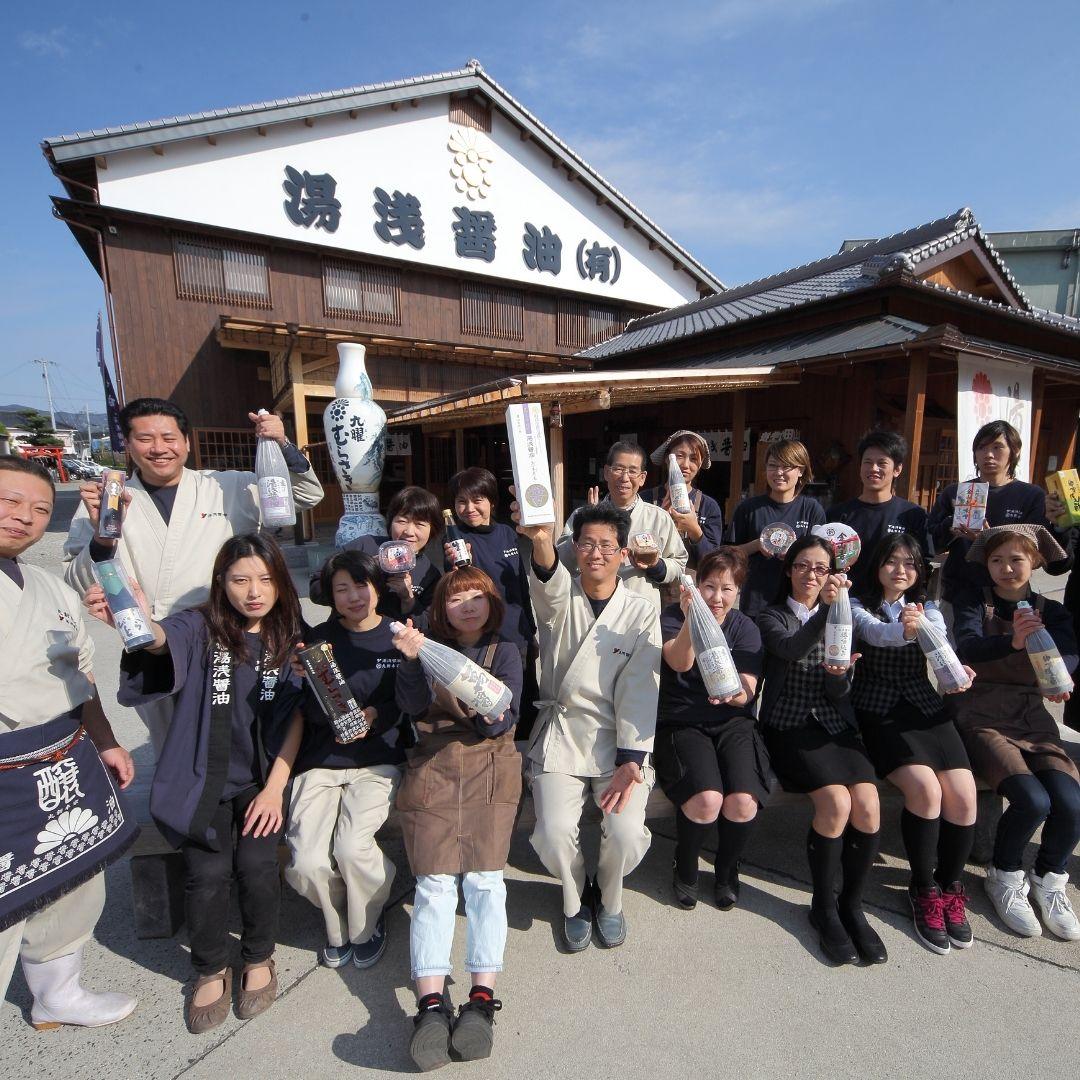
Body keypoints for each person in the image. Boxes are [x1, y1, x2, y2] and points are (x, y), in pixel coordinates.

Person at [96, 533, 307, 1032]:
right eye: (240, 580)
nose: (253, 591)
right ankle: (209, 967)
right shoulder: (199, 626)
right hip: (200, 776)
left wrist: (275, 788)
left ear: (280, 582)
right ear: (221, 583)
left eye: (265, 579)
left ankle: (258, 957)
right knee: (207, 874)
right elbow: (157, 641)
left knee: (257, 866)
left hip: (262, 778)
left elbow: (300, 717)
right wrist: (133, 617)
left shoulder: (294, 636)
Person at [64, 398, 324, 750]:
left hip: (224, 637)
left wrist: (282, 444)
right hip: (153, 641)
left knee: (239, 740)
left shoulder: (226, 485)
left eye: (169, 437)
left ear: (186, 441)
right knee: (173, 746)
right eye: (145, 438)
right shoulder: (104, 500)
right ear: (126, 444)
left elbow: (305, 494)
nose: (159, 448)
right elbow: (77, 576)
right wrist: (102, 536)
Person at [0, 457, 138, 1031]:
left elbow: (80, 674)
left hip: (64, 748)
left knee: (74, 879)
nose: (24, 518)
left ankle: (57, 992)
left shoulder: (48, 585)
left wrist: (106, 741)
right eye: (10, 501)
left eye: (37, 508)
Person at [391, 568, 523, 1071]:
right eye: (456, 598)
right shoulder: (425, 651)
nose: (468, 605)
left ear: (492, 603)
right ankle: (429, 1004)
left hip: (492, 764)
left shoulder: (505, 650)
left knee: (488, 882)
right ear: (440, 609)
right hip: (434, 766)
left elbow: (504, 717)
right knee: (434, 885)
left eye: (477, 597)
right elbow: (411, 704)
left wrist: (491, 710)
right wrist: (409, 660)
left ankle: (481, 1001)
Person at [518, 498, 660, 952]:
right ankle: (575, 894)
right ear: (574, 549)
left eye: (606, 545)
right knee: (554, 830)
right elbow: (546, 579)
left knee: (624, 831)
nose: (595, 553)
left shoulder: (640, 611)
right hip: (561, 733)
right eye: (586, 544)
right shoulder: (561, 597)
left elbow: (641, 686)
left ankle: (610, 895)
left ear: (623, 554)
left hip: (620, 739)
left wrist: (633, 758)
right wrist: (542, 541)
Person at [757, 535, 885, 965]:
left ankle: (851, 903)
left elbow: (838, 689)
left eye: (821, 568)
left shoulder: (842, 612)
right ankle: (822, 906)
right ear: (789, 570)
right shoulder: (770, 616)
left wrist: (840, 675)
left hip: (832, 723)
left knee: (867, 803)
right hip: (788, 725)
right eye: (804, 566)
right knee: (834, 802)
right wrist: (829, 609)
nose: (812, 575)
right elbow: (791, 650)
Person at [850, 535, 978, 954]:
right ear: (876, 567)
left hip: (925, 706)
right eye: (891, 562)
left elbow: (941, 650)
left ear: (920, 572)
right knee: (926, 790)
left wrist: (957, 672)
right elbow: (875, 634)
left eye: (909, 564)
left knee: (963, 793)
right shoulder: (856, 607)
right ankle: (922, 887)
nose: (900, 571)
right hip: (878, 709)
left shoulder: (933, 610)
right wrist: (907, 629)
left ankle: (949, 887)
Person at [952, 525, 1080, 940]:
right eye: (997, 560)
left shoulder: (1053, 610)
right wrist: (1013, 643)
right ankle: (1004, 874)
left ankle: (1049, 877)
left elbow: (1070, 655)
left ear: (1035, 562)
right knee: (1032, 799)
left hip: (1032, 716)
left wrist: (1062, 675)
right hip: (981, 714)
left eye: (1016, 560)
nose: (1006, 569)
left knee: (1072, 802)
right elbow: (968, 647)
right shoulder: (974, 602)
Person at [286, 551, 405, 970]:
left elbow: (408, 700)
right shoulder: (317, 643)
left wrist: (377, 715)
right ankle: (337, 919)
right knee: (306, 861)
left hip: (378, 759)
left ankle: (365, 924)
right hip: (321, 760)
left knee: (353, 848)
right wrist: (315, 699)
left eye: (361, 584)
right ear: (330, 595)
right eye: (342, 588)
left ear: (376, 586)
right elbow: (302, 707)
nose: (354, 596)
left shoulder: (398, 634)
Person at [656, 547, 767, 911]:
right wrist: (693, 618)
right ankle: (685, 865)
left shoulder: (745, 627)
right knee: (707, 800)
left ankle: (726, 868)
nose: (717, 598)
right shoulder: (673, 617)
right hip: (683, 721)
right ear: (695, 586)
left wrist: (736, 695)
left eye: (727, 589)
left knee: (742, 802)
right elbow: (678, 660)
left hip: (733, 721)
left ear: (738, 593)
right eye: (709, 587)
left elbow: (749, 689)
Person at [928, 420, 1070, 604]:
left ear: (1015, 451)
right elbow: (931, 544)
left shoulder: (1032, 495)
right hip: (958, 593)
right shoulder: (956, 492)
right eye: (981, 448)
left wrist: (988, 539)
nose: (988, 455)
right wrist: (950, 526)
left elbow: (1036, 553)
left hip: (1010, 595)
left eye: (997, 447)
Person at [557, 441, 687, 613]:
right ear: (606, 472)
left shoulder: (659, 518)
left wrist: (657, 565)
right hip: (590, 608)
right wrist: (588, 525)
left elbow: (679, 563)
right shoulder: (583, 514)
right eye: (618, 469)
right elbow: (560, 561)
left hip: (640, 612)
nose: (624, 477)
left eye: (632, 471)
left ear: (642, 478)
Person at [724, 438, 826, 620]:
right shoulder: (748, 508)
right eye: (773, 466)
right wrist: (757, 544)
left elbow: (822, 557)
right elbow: (728, 554)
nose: (778, 472)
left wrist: (796, 553)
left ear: (801, 470)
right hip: (756, 602)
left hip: (798, 602)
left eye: (787, 466)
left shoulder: (811, 509)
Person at [309, 485, 443, 621]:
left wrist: (407, 599)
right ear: (390, 522)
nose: (409, 531)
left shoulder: (430, 575)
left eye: (420, 524)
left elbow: (426, 624)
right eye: (402, 521)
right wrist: (364, 569)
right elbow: (316, 591)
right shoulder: (362, 546)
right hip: (345, 637)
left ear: (433, 530)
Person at [832, 429, 931, 594]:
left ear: (897, 469)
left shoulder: (913, 515)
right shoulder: (838, 514)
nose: (874, 468)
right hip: (845, 601)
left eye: (882, 463)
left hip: (893, 606)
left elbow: (924, 563)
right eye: (868, 462)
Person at [644, 430, 724, 570]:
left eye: (693, 459)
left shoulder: (709, 506)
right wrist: (660, 519)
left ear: (700, 465)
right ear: (667, 458)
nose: (686, 465)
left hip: (691, 587)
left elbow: (712, 562)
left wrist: (694, 529)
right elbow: (635, 544)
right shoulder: (646, 499)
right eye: (679, 456)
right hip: (650, 582)